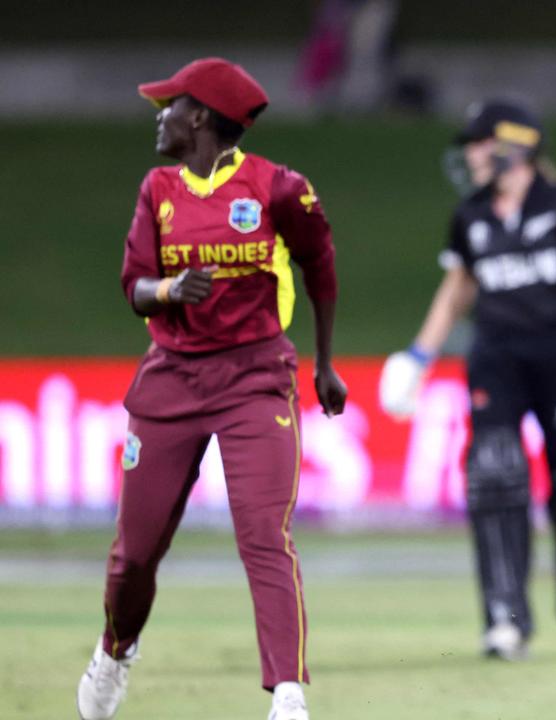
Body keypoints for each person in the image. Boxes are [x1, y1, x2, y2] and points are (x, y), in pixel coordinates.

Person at [76, 57, 346, 720]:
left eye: (167, 106)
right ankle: (116, 649)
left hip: (256, 378)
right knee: (135, 552)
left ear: (198, 116)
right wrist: (169, 289)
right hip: (172, 377)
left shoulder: (278, 189)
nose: (159, 117)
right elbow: (134, 287)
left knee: (263, 533)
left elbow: (321, 265)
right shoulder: (158, 190)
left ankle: (287, 692)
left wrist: (324, 361)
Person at [378, 99, 556, 660]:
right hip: (495, 358)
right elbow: (457, 290)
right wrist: (418, 354)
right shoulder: (471, 214)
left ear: (513, 147)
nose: (470, 154)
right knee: (494, 475)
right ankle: (504, 619)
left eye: (479, 143)